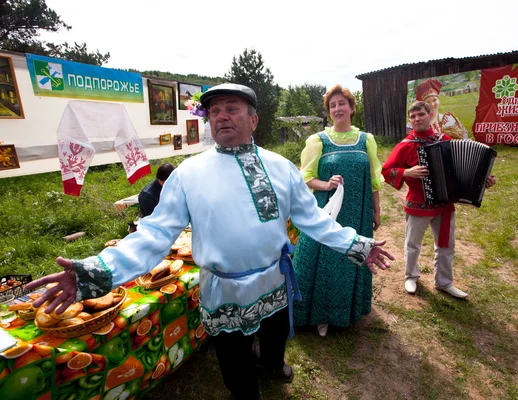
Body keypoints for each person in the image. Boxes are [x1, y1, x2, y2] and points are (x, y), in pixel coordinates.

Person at [25, 83, 394, 400]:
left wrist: (357, 243)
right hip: (224, 292)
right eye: (215, 111)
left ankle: (272, 364)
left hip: (275, 282)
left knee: (275, 337)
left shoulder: (280, 168)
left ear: (253, 120)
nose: (222, 116)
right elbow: (153, 235)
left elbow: (313, 219)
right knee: (234, 364)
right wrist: (95, 271)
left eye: (232, 109)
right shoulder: (188, 174)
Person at [292, 85, 384, 337]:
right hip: (328, 211)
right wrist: (327, 184)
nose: (337, 109)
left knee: (352, 257)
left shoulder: (367, 140)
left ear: (352, 108)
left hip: (359, 211)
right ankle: (320, 314)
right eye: (332, 106)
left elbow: (374, 180)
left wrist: (376, 211)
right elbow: (306, 177)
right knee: (325, 259)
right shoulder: (318, 140)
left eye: (341, 103)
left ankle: (347, 309)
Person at [381, 101, 495, 299]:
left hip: (444, 204)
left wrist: (482, 180)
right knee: (412, 244)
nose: (417, 119)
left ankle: (444, 282)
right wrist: (408, 171)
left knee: (446, 245)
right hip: (417, 204)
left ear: (430, 115)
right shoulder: (405, 146)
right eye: (413, 116)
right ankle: (411, 276)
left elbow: (460, 169)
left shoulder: (445, 139)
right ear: (410, 120)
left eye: (421, 115)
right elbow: (386, 171)